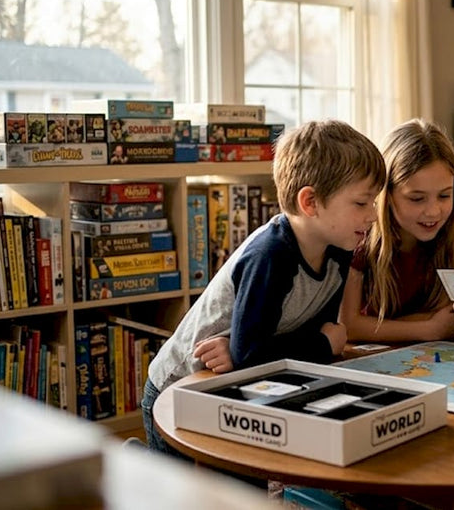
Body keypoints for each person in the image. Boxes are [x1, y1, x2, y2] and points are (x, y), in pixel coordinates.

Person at [141, 119, 386, 458]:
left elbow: (306, 332)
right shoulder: (270, 255)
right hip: (179, 390)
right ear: (310, 202)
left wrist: (252, 349)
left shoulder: (340, 247)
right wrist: (319, 344)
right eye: (362, 203)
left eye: (373, 202)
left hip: (233, 383)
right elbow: (262, 354)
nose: (373, 215)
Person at [340, 119, 454, 342]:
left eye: (444, 196)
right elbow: (350, 326)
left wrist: (383, 326)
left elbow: (451, 316)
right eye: (417, 198)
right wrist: (428, 329)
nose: (433, 212)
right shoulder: (362, 234)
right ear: (387, 194)